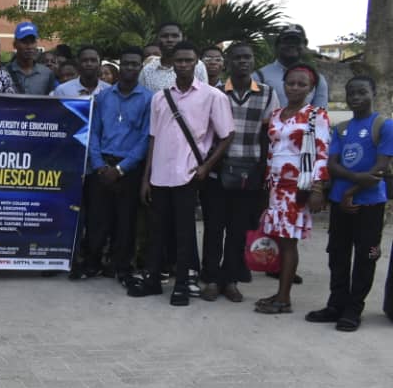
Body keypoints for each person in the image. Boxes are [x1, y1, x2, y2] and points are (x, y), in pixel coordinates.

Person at [128, 41, 234, 306]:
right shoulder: (160, 97)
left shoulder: (213, 96)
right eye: (179, 61)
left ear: (197, 63)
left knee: (184, 232)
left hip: (188, 175)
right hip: (159, 175)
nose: (184, 65)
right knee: (157, 231)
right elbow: (153, 138)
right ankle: (153, 279)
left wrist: (206, 166)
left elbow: (227, 135)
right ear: (172, 63)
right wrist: (146, 178)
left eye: (189, 60)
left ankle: (183, 284)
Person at [306, 76, 391, 331]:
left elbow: (380, 169)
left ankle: (354, 309)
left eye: (362, 92)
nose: (355, 97)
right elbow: (332, 164)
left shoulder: (385, 126)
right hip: (340, 203)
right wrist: (349, 186)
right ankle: (336, 304)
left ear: (373, 93)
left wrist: (351, 190)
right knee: (338, 255)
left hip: (369, 205)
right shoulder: (341, 128)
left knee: (366, 256)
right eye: (351, 93)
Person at [199, 42, 279, 303]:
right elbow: (207, 133)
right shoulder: (215, 92)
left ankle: (230, 280)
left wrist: (262, 172)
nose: (242, 62)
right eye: (237, 57)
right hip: (217, 172)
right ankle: (211, 279)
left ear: (253, 61)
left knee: (237, 230)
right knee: (213, 228)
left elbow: (269, 136)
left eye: (247, 57)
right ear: (227, 62)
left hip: (249, 172)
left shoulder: (267, 94)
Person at [253, 64, 329, 315]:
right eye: (291, 83)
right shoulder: (276, 114)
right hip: (275, 186)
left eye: (302, 84)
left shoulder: (315, 115)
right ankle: (280, 292)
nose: (295, 88)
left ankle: (284, 299)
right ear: (283, 85)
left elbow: (321, 153)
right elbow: (271, 151)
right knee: (280, 238)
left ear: (311, 88)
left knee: (288, 243)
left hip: (297, 188)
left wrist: (317, 189)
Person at [83, 47, 151, 282]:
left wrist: (121, 169)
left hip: (129, 169)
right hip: (102, 165)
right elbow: (93, 133)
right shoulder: (103, 96)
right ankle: (93, 263)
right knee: (98, 219)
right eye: (126, 64)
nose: (130, 68)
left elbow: (145, 138)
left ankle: (121, 266)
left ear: (141, 68)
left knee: (126, 222)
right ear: (119, 66)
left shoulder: (149, 99)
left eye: (135, 64)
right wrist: (99, 165)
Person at [256, 24, 329, 109]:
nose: (292, 45)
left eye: (297, 42)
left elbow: (320, 115)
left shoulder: (318, 79)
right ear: (277, 45)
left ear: (304, 45)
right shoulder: (259, 76)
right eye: (287, 41)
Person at [138, 22, 209, 91]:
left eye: (175, 36)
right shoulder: (148, 70)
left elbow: (204, 94)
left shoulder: (198, 66)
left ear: (183, 38)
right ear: (157, 39)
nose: (170, 40)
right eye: (165, 36)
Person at [6, 22, 55, 95]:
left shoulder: (47, 73)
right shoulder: (4, 72)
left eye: (32, 42)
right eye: (25, 42)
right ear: (15, 44)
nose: (29, 47)